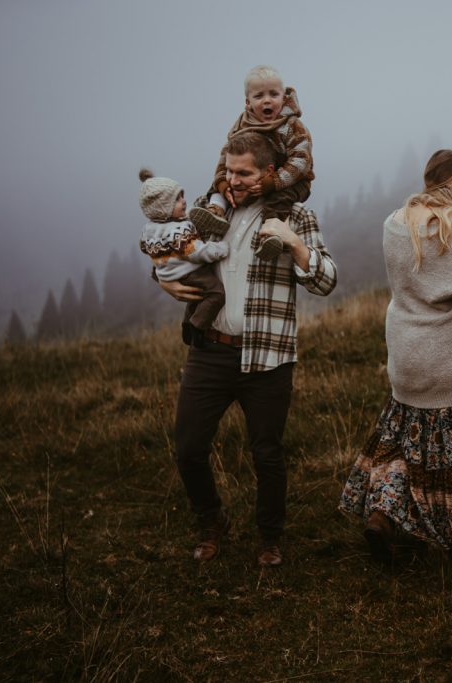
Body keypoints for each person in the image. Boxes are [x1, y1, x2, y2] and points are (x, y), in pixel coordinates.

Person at [157, 131, 337, 567]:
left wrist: (294, 243)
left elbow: (326, 280)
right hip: (210, 350)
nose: (233, 180)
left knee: (267, 453)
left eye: (244, 173)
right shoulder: (210, 212)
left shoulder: (295, 215)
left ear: (268, 173)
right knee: (189, 448)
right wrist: (163, 277)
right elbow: (169, 250)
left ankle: (270, 539)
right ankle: (211, 521)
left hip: (268, 356)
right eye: (229, 171)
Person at [339, 148, 452, 562]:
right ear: (448, 178)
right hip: (451, 360)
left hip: (406, 356)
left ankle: (383, 512)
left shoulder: (394, 223)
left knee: (405, 440)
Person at [190, 65, 315, 262]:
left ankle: (271, 234)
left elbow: (302, 160)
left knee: (280, 199)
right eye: (259, 96)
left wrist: (273, 182)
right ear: (248, 103)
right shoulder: (243, 124)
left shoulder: (292, 126)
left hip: (291, 181)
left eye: (273, 94)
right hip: (252, 179)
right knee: (220, 182)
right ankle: (216, 211)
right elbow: (227, 156)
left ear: (284, 97)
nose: (267, 100)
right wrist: (222, 183)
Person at [138, 169, 229, 347]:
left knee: (197, 296)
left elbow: (145, 248)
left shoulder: (149, 228)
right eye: (177, 200)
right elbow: (197, 253)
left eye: (182, 196)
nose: (184, 201)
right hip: (189, 272)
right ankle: (197, 326)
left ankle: (187, 323)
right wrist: (222, 249)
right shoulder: (179, 230)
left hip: (169, 275)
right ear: (163, 208)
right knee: (216, 293)